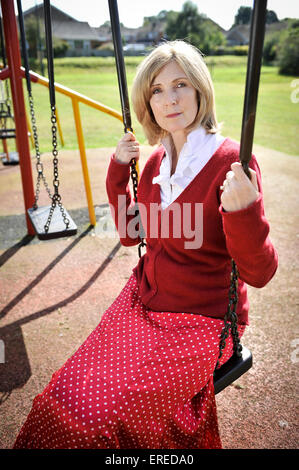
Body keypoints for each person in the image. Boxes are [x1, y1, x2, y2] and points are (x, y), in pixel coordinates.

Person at [13, 40, 278, 449]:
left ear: (200, 90)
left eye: (180, 85)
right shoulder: (154, 163)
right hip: (143, 306)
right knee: (60, 399)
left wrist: (245, 211)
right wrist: (119, 173)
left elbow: (259, 273)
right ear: (147, 101)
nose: (169, 99)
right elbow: (131, 234)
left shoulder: (232, 163)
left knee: (102, 423)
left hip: (203, 320)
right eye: (157, 90)